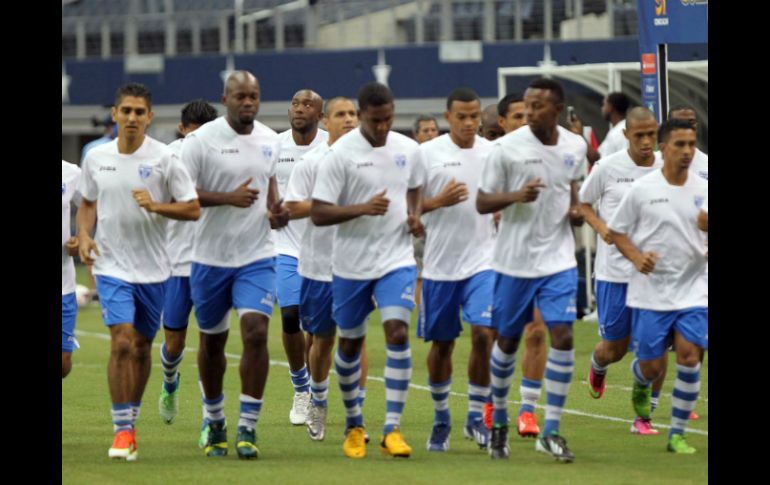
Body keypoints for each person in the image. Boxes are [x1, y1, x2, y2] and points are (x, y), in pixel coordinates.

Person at [77, 82, 201, 461]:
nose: (132, 117)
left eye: (139, 112)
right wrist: (84, 235)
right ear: (115, 114)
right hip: (111, 265)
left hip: (155, 269)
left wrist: (157, 207)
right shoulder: (96, 158)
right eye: (126, 111)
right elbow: (87, 203)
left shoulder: (165, 158)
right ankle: (121, 431)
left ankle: (131, 419)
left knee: (143, 347)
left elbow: (192, 207)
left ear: (150, 117)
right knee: (122, 341)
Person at [311, 82, 425, 459]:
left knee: (397, 332)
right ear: (361, 116)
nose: (382, 127)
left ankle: (392, 428)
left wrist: (414, 215)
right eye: (375, 121)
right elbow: (319, 212)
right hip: (351, 264)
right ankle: (354, 423)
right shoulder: (340, 155)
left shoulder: (408, 149)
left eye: (388, 119)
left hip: (396, 259)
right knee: (349, 344)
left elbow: (415, 189)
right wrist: (362, 208)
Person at [180, 71, 288, 459]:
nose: (248, 102)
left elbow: (270, 188)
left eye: (253, 96)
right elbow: (182, 196)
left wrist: (277, 211)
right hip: (209, 258)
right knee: (213, 342)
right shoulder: (200, 142)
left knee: (256, 332)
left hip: (257, 256)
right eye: (240, 96)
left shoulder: (270, 140)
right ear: (224, 98)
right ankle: (214, 420)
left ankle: (248, 426)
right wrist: (227, 198)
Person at [477, 77, 586, 462]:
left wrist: (576, 212)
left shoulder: (575, 146)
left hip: (558, 259)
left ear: (556, 109)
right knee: (507, 341)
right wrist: (515, 196)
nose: (530, 113)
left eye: (538, 106)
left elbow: (572, 192)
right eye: (526, 105)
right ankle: (499, 421)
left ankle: (551, 430)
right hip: (514, 261)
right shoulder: (505, 149)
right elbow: (482, 202)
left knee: (563, 336)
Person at [608, 118, 707, 454]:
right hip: (651, 292)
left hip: (694, 289)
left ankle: (677, 434)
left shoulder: (704, 187)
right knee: (653, 366)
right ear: (663, 148)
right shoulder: (642, 189)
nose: (687, 151)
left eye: (691, 144)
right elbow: (617, 232)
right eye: (680, 144)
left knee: (690, 357)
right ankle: (640, 377)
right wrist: (637, 258)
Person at [284, 95, 369, 442]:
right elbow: (292, 207)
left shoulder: (369, 160)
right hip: (318, 265)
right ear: (325, 121)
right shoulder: (311, 162)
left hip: (358, 264)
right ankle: (317, 399)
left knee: (356, 336)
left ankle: (356, 413)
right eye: (340, 114)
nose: (348, 120)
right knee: (322, 339)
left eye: (352, 114)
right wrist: (329, 206)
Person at [416, 87, 495, 452]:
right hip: (440, 267)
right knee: (443, 345)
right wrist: (438, 201)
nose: (468, 123)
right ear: (448, 117)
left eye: (474, 116)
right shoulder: (427, 154)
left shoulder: (492, 153)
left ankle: (476, 416)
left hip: (484, 262)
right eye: (461, 117)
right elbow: (409, 208)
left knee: (483, 334)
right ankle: (441, 418)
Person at [579, 107, 667, 435]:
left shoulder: (667, 166)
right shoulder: (608, 167)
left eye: (651, 135)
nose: (646, 142)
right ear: (626, 134)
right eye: (639, 135)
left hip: (656, 274)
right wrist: (602, 227)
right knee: (614, 349)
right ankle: (598, 364)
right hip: (615, 273)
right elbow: (583, 204)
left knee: (656, 348)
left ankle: (644, 416)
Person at [156, 99, 218, 428]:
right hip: (176, 264)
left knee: (211, 343)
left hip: (212, 263)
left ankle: (211, 418)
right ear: (182, 129)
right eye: (193, 133)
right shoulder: (167, 157)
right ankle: (170, 381)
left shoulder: (222, 157)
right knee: (174, 342)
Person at [497, 91, 549, 440]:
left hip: (539, 258)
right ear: (502, 122)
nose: (524, 122)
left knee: (537, 332)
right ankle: (491, 402)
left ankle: (528, 410)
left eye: (528, 115)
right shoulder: (491, 157)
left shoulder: (549, 155)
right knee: (499, 338)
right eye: (517, 116)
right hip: (495, 261)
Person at [275, 89, 329, 426]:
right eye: (295, 103)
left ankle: (317, 390)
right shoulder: (275, 146)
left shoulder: (331, 146)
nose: (299, 109)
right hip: (285, 246)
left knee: (317, 327)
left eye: (308, 105)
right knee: (290, 316)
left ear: (320, 116)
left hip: (324, 248)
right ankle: (300, 387)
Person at [62, 160, 82, 378]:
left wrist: (81, 236)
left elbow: (89, 204)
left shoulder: (71, 172)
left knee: (63, 364)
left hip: (64, 283)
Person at [668, 105, 707, 182]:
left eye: (691, 122)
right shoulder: (655, 161)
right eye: (679, 122)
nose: (686, 127)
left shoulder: (706, 163)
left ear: (697, 124)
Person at [597, 92, 632, 158]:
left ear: (610, 107)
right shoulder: (617, 129)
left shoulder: (620, 131)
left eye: (604, 105)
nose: (602, 108)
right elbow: (599, 158)